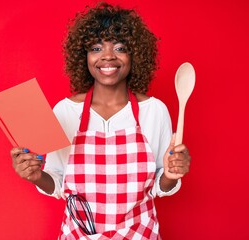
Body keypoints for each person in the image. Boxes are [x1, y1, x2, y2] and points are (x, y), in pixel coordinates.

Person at [11, 2, 191, 239]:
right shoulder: (65, 111)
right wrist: (35, 176)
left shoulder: (154, 111)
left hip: (139, 234)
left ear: (134, 54)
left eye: (119, 47)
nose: (107, 56)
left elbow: (160, 184)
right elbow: (56, 181)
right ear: (83, 56)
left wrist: (170, 174)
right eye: (96, 48)